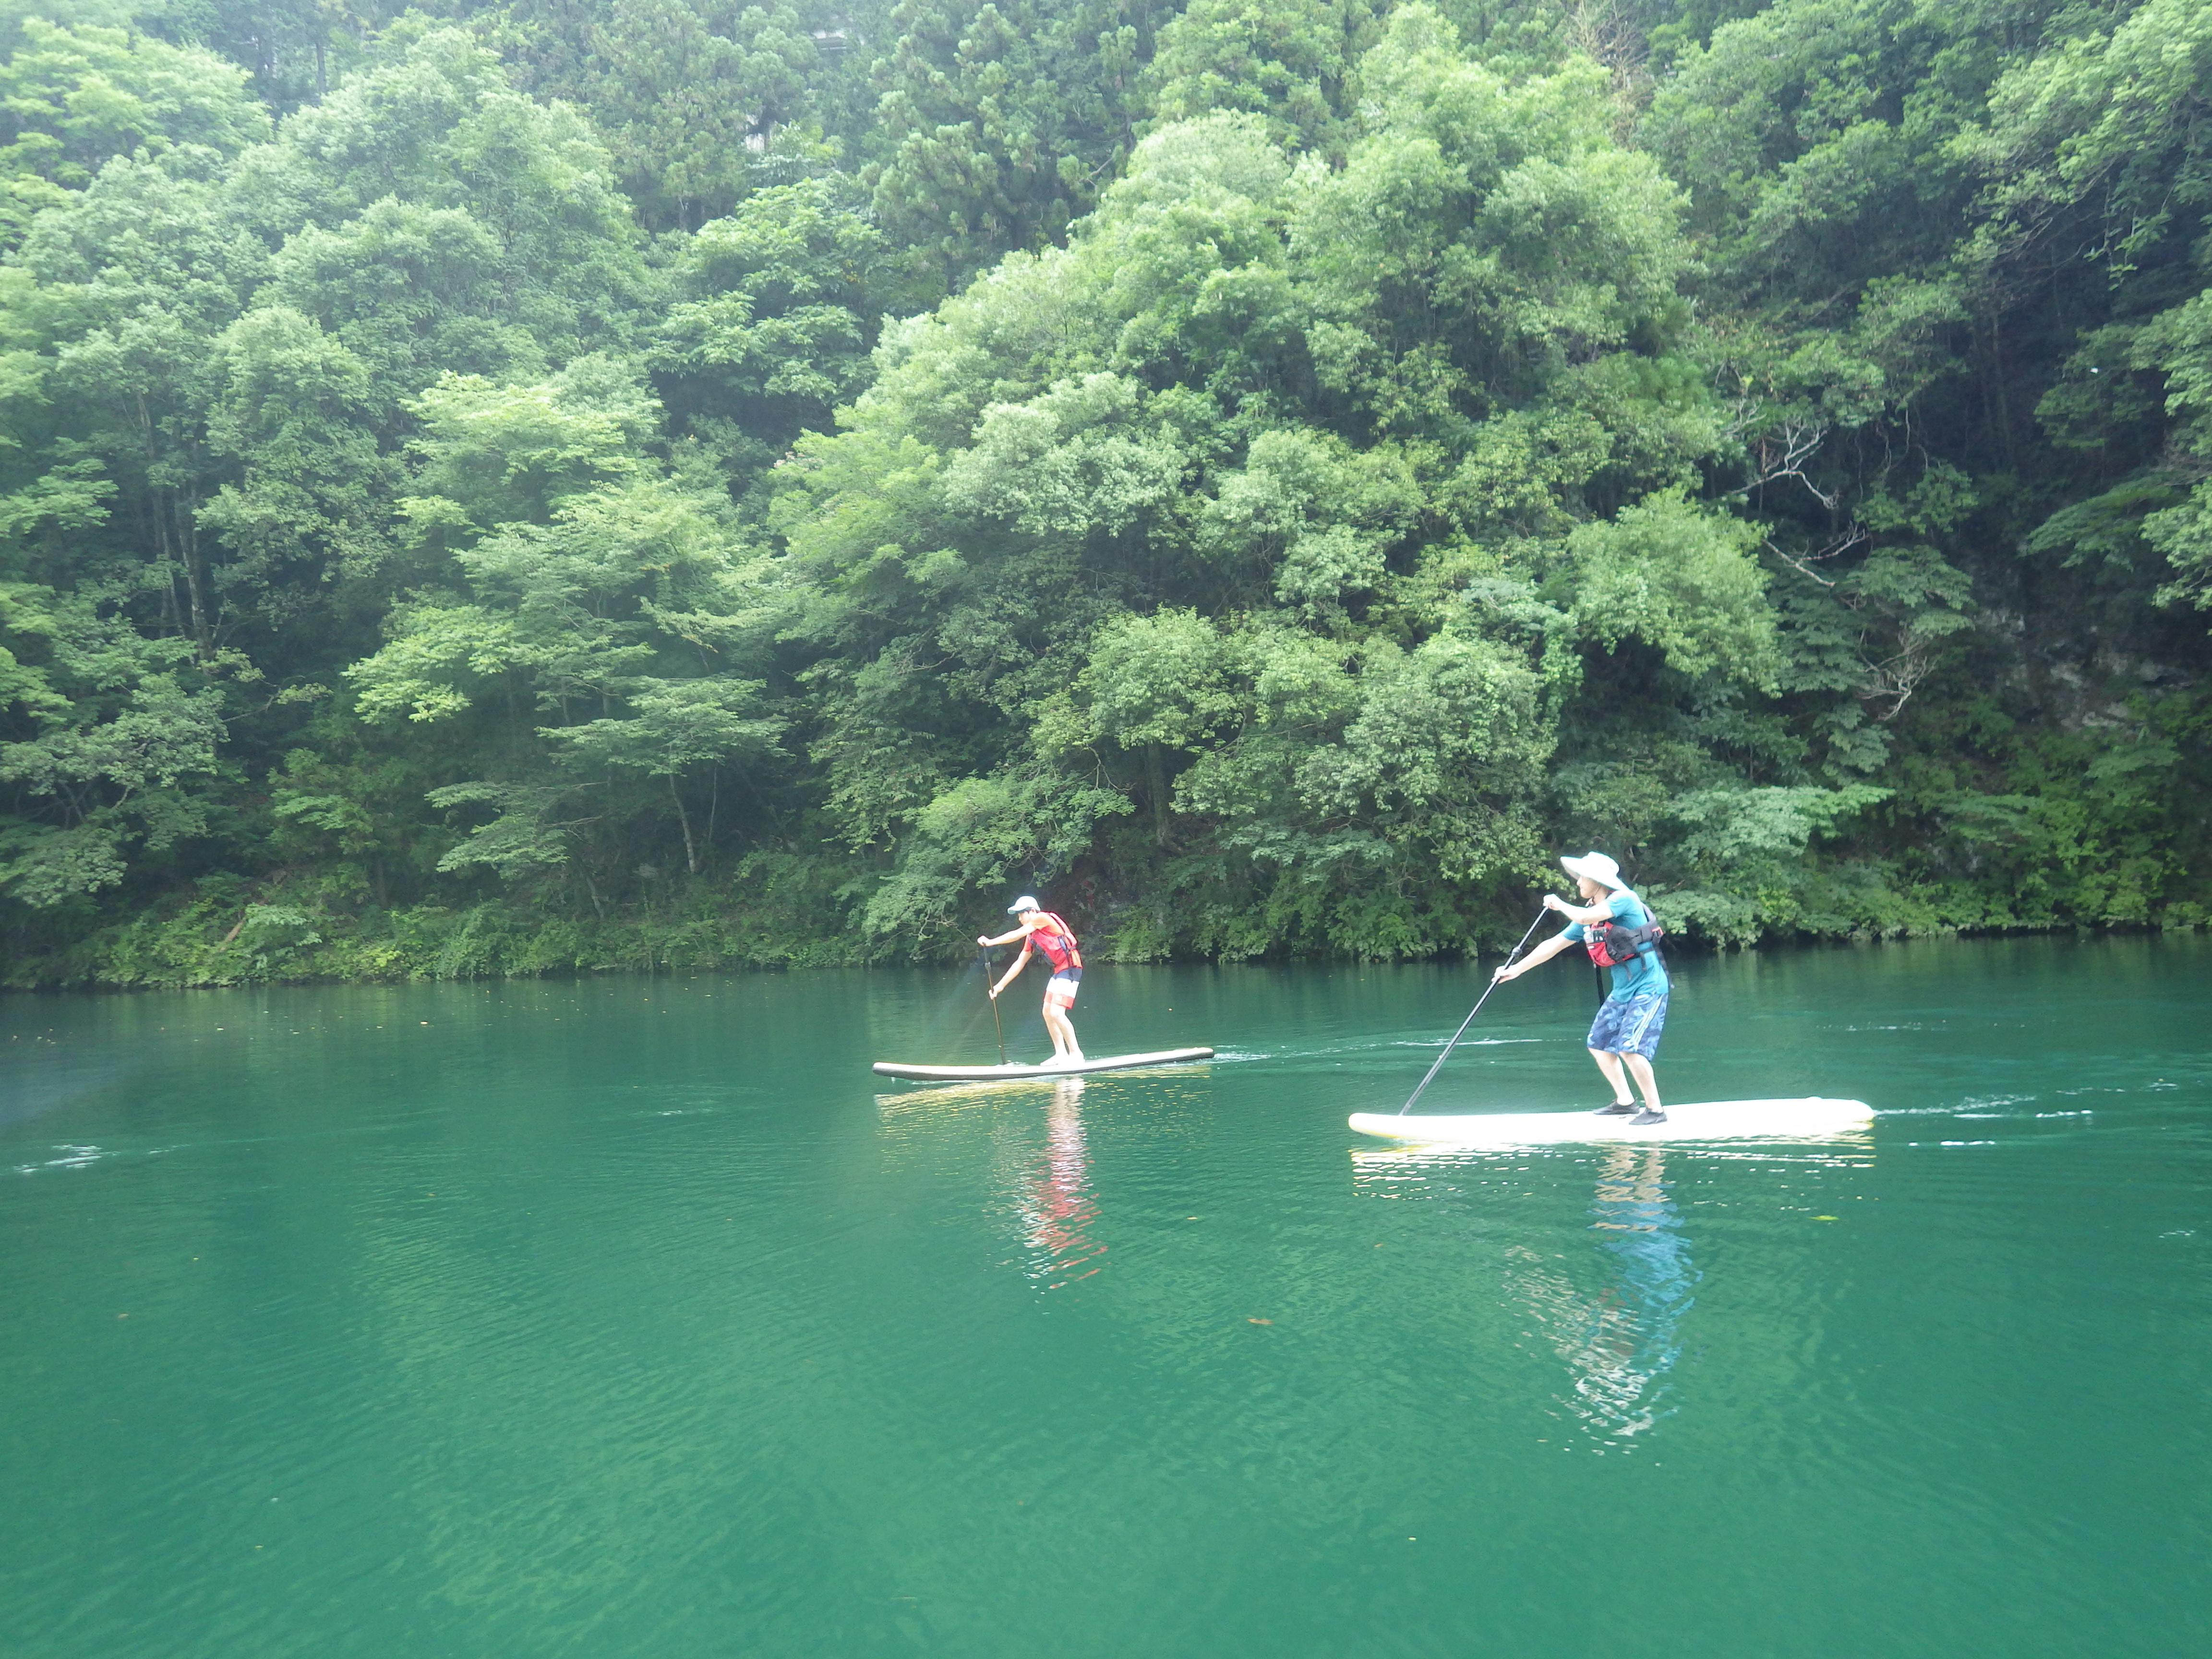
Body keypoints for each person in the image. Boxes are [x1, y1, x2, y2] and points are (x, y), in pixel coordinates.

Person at [1491, 851, 1670, 1125]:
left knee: (1629, 1048)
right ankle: (1626, 1103)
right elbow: (1554, 944)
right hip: (1623, 991)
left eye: (1582, 878)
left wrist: (1560, 904)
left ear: (1598, 881)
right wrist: (1515, 970)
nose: (1577, 883)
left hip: (1650, 986)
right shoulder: (1590, 915)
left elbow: (1589, 917)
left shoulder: (1623, 899)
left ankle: (1656, 1111)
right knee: (1599, 1044)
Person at [978, 897, 1085, 1063]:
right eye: (1018, 915)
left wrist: (991, 942)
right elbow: (1020, 962)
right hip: (1059, 970)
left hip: (1071, 968)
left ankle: (1076, 1054)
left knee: (1057, 1013)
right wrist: (1000, 986)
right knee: (1047, 1012)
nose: (1019, 918)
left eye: (1022, 914)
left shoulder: (1042, 918)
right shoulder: (1032, 937)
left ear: (1033, 911)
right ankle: (1061, 1054)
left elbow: (1015, 935)